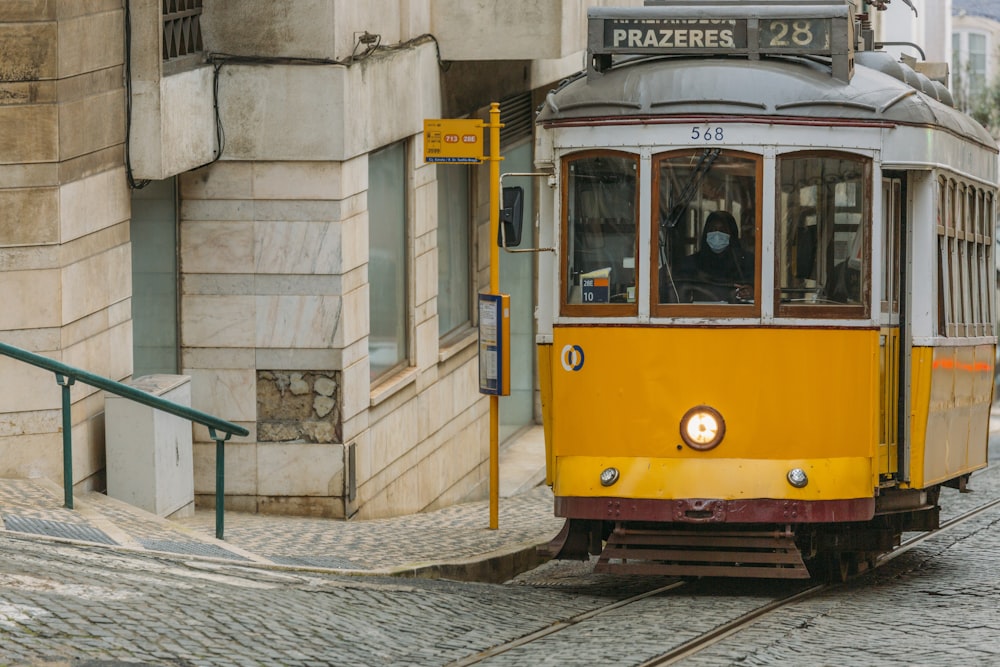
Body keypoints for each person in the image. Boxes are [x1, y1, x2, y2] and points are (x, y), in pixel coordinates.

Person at [670, 210, 754, 302]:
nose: (717, 235)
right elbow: (679, 292)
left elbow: (760, 289)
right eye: (712, 230)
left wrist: (751, 292)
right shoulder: (690, 263)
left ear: (732, 234)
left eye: (722, 230)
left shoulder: (746, 262)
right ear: (706, 233)